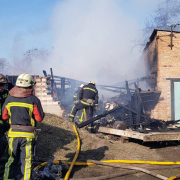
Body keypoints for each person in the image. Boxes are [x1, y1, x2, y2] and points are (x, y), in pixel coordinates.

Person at [2, 73, 44, 180]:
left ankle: (7, 178)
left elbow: (4, 116)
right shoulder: (33, 100)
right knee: (26, 160)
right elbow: (39, 118)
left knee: (11, 159)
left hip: (13, 135)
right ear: (30, 86)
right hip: (27, 136)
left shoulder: (9, 99)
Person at [0, 74, 14, 158]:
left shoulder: (6, 93)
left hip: (6, 121)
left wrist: (9, 84)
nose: (2, 87)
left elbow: (14, 92)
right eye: (0, 85)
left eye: (3, 85)